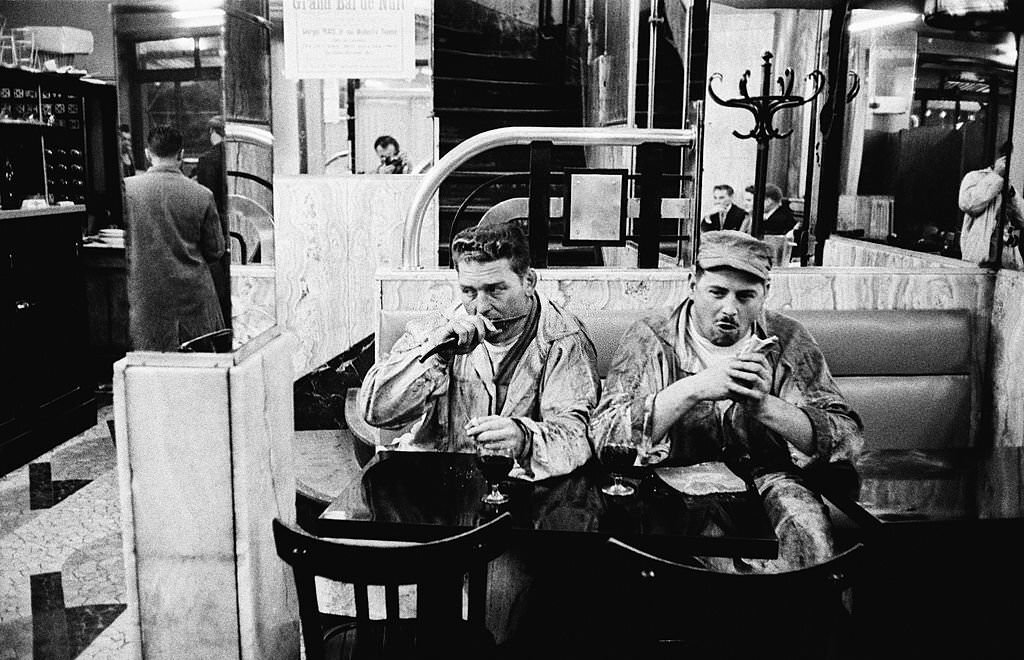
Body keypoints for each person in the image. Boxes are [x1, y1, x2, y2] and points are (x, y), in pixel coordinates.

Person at [591, 230, 863, 571]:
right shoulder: (652, 337)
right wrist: (694, 389)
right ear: (692, 285)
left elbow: (847, 439)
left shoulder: (788, 338)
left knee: (810, 552)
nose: (729, 309)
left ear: (766, 294)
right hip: (675, 483)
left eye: (745, 296)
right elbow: (606, 437)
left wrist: (765, 407)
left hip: (772, 481)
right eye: (717, 293)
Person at [359, 221, 600, 480]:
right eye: (468, 291)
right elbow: (375, 411)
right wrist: (437, 356)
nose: (481, 307)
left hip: (522, 488)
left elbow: (577, 437)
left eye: (495, 289)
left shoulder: (564, 340)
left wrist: (524, 438)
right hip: (440, 482)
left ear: (529, 281)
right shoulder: (441, 325)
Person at [125, 125, 225, 351]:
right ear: (181, 154)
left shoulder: (128, 190)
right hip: (193, 302)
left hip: (146, 299)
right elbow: (215, 250)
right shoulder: (202, 194)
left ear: (147, 154)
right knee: (197, 372)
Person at [959, 141, 1024, 268]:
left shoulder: (1010, 188)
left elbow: (1022, 220)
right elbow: (969, 205)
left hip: (1007, 259)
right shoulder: (974, 178)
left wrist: (1011, 193)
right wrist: (995, 177)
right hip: (980, 257)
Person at [195, 115, 231, 326]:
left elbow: (206, 201)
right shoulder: (235, 155)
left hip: (217, 223)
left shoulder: (208, 159)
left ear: (212, 132)